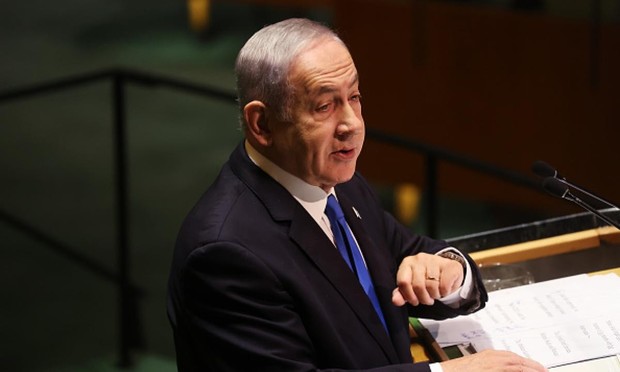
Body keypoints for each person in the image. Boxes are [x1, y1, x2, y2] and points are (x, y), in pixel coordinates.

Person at [167, 18, 547, 372]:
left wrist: (450, 271)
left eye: (355, 97)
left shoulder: (339, 182)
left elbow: (414, 251)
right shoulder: (223, 253)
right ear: (262, 124)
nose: (352, 123)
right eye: (325, 105)